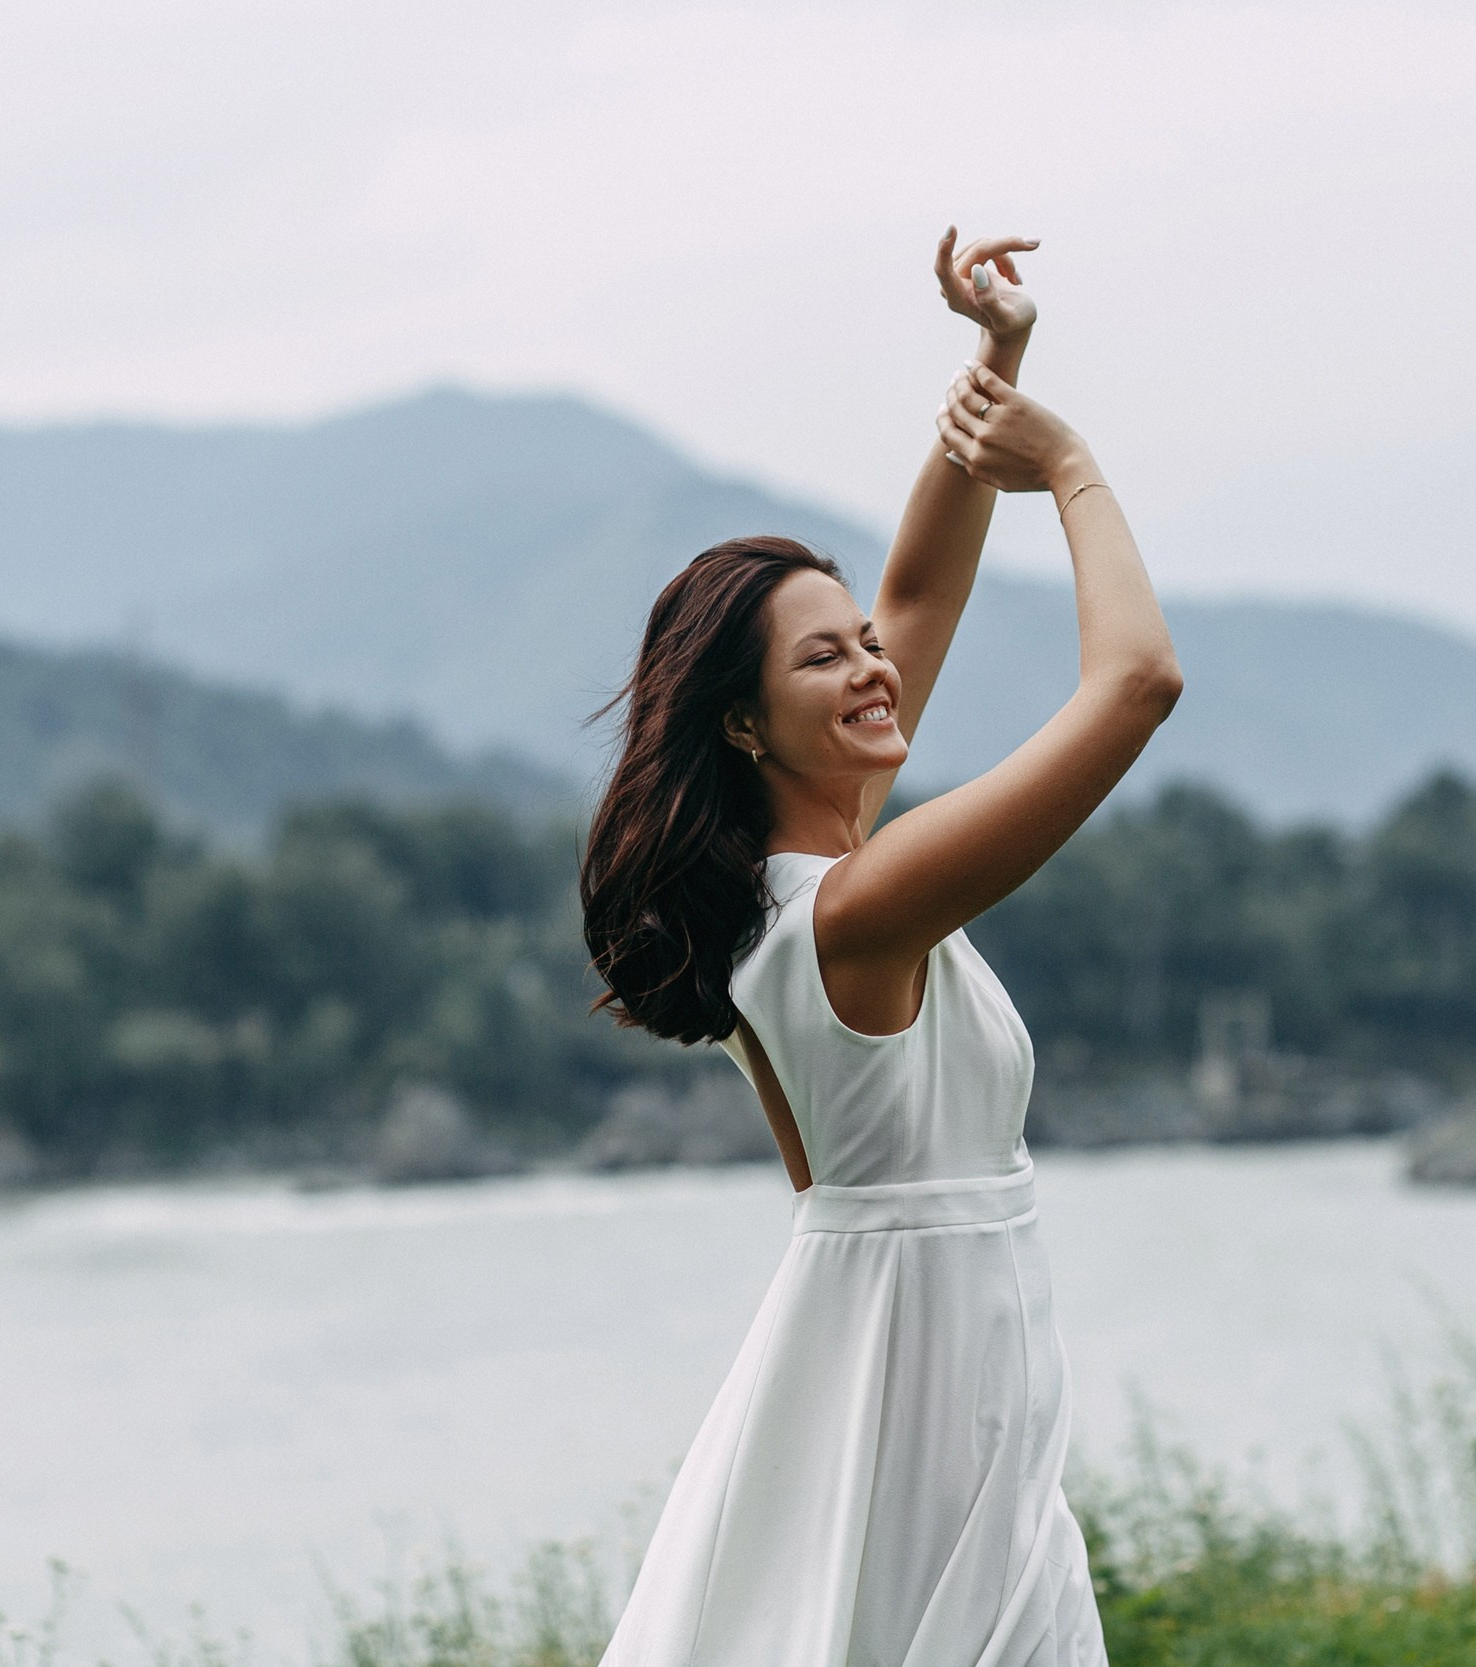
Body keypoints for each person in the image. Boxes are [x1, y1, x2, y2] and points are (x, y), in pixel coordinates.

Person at [579, 227, 1182, 1667]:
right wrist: (1072, 467)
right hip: (922, 1390)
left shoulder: (807, 882)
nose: (873, 665)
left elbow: (920, 590)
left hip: (918, 1353)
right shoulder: (855, 910)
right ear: (745, 724)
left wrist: (995, 369)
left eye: (862, 642)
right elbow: (1139, 680)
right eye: (822, 657)